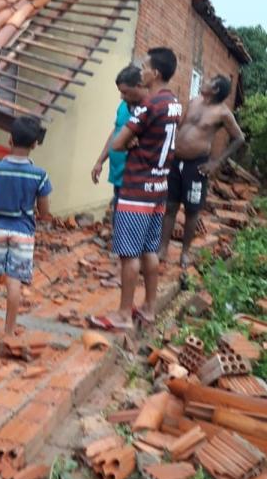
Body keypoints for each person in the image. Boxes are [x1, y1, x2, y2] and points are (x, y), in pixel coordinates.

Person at [90, 48, 182, 331]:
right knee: (149, 251)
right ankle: (149, 308)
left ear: (154, 73)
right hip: (158, 188)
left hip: (137, 189)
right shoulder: (174, 103)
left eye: (144, 66)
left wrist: (130, 142)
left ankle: (122, 315)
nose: (141, 70)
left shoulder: (148, 105)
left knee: (129, 254)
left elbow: (119, 142)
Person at [0, 116, 52, 339]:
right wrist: (40, 214)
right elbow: (44, 211)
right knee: (14, 282)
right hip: (23, 233)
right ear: (35, 144)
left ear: (9, 140)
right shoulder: (40, 175)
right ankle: (8, 333)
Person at [159, 75, 245, 268]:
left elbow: (239, 138)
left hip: (196, 166)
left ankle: (185, 253)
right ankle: (163, 249)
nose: (203, 82)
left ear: (214, 90)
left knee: (192, 210)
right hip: (175, 161)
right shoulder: (194, 101)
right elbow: (181, 127)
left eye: (208, 81)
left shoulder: (223, 113)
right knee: (170, 206)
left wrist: (216, 163)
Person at [91, 64, 145, 201]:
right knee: (117, 216)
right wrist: (99, 161)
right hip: (118, 175)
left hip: (135, 180)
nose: (121, 96)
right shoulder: (123, 106)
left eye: (125, 92)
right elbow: (116, 132)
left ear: (139, 86)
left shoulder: (149, 110)